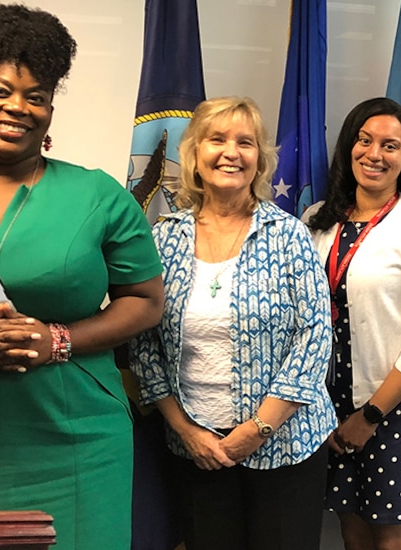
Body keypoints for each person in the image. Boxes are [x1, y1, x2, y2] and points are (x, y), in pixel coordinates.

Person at [0, 5, 164, 550]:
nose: (17, 107)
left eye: (36, 96)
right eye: (0, 90)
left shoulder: (96, 195)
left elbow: (145, 301)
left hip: (76, 445)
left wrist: (57, 340)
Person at [129, 96, 334, 550]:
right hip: (196, 449)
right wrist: (184, 430)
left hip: (287, 446)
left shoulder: (288, 234)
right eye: (216, 139)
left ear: (259, 158)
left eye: (245, 142)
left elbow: (315, 336)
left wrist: (256, 429)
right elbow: (145, 344)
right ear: (194, 155)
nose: (231, 152)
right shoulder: (162, 238)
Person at [303, 97, 401, 550]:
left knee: (394, 537)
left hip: (397, 405)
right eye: (364, 141)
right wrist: (329, 409)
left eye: (390, 145)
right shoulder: (316, 219)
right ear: (349, 147)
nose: (374, 154)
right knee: (352, 527)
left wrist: (369, 416)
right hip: (329, 404)